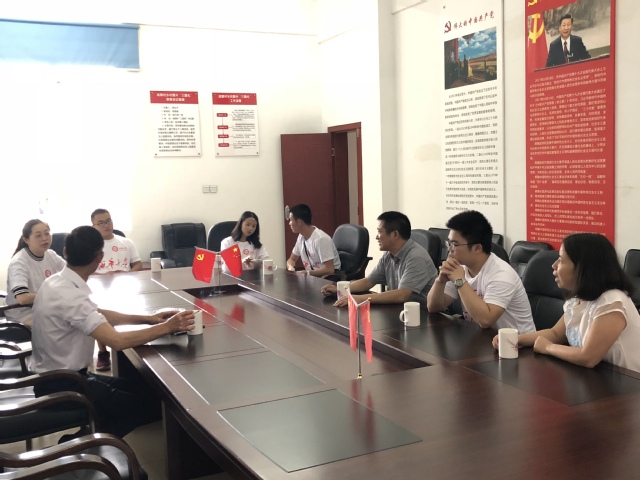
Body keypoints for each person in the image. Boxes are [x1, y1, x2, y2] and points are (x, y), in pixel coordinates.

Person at [30, 226, 194, 438]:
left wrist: (148, 319)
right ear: (100, 257)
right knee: (152, 406)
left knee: (143, 389)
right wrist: (167, 327)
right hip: (63, 386)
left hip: (57, 377)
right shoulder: (70, 296)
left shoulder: (56, 282)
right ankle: (79, 442)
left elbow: (95, 314)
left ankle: (90, 432)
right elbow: (116, 341)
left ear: (65, 252)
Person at [494, 233, 640, 371]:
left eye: (561, 260)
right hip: (598, 378)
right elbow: (555, 334)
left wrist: (548, 348)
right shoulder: (579, 298)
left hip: (628, 383)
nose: (554, 265)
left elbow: (588, 357)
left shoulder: (612, 301)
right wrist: (515, 339)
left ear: (583, 267)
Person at [427, 210, 535, 333]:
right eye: (449, 243)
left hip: (517, 342)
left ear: (477, 248)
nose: (449, 250)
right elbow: (433, 307)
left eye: (454, 245)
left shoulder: (502, 274)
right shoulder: (460, 267)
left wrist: (460, 281)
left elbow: (485, 321)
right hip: (483, 338)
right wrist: (440, 281)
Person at [322, 211, 437, 307]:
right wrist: (340, 289)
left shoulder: (416, 257)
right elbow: (368, 282)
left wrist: (360, 299)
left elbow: (402, 294)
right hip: (399, 310)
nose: (377, 237)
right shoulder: (389, 255)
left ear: (395, 234)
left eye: (379, 232)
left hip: (422, 316)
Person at [91, 208, 142, 371]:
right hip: (99, 287)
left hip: (125, 286)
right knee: (98, 316)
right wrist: (104, 276)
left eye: (108, 221)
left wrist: (127, 274)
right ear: (93, 226)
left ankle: (130, 348)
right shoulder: (91, 247)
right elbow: (85, 270)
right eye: (101, 223)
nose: (106, 225)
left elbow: (138, 264)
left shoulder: (126, 242)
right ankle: (103, 352)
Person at [5, 219, 66, 326]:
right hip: (23, 315)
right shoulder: (19, 262)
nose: (45, 238)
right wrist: (51, 297)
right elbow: (22, 298)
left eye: (47, 233)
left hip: (46, 308)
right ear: (26, 239)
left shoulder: (50, 254)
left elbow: (70, 272)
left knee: (78, 317)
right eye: (38, 235)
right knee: (66, 325)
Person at [286, 204, 340, 277]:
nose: (289, 223)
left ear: (299, 222)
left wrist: (308, 273)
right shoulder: (301, 237)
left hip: (329, 278)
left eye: (291, 220)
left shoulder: (321, 239)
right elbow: (291, 259)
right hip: (314, 276)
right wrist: (290, 267)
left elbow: (330, 269)